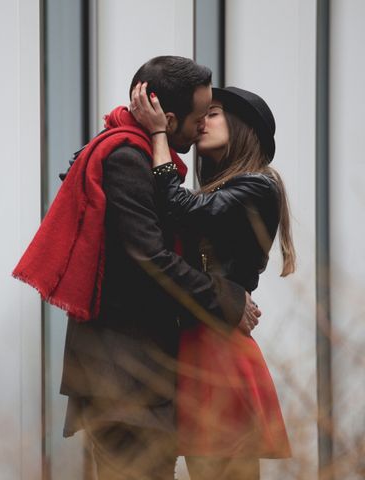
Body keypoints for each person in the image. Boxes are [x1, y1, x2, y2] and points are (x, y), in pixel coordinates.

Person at [13, 56, 260, 480]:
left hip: (136, 376)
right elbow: (151, 258)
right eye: (199, 117)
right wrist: (226, 299)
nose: (202, 126)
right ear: (167, 118)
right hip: (124, 379)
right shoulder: (126, 159)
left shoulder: (138, 152)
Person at [129, 83, 294, 479]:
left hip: (217, 346)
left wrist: (157, 135)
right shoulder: (227, 189)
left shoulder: (257, 184)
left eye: (214, 113)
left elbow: (181, 209)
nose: (202, 122)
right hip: (206, 338)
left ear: (242, 127)